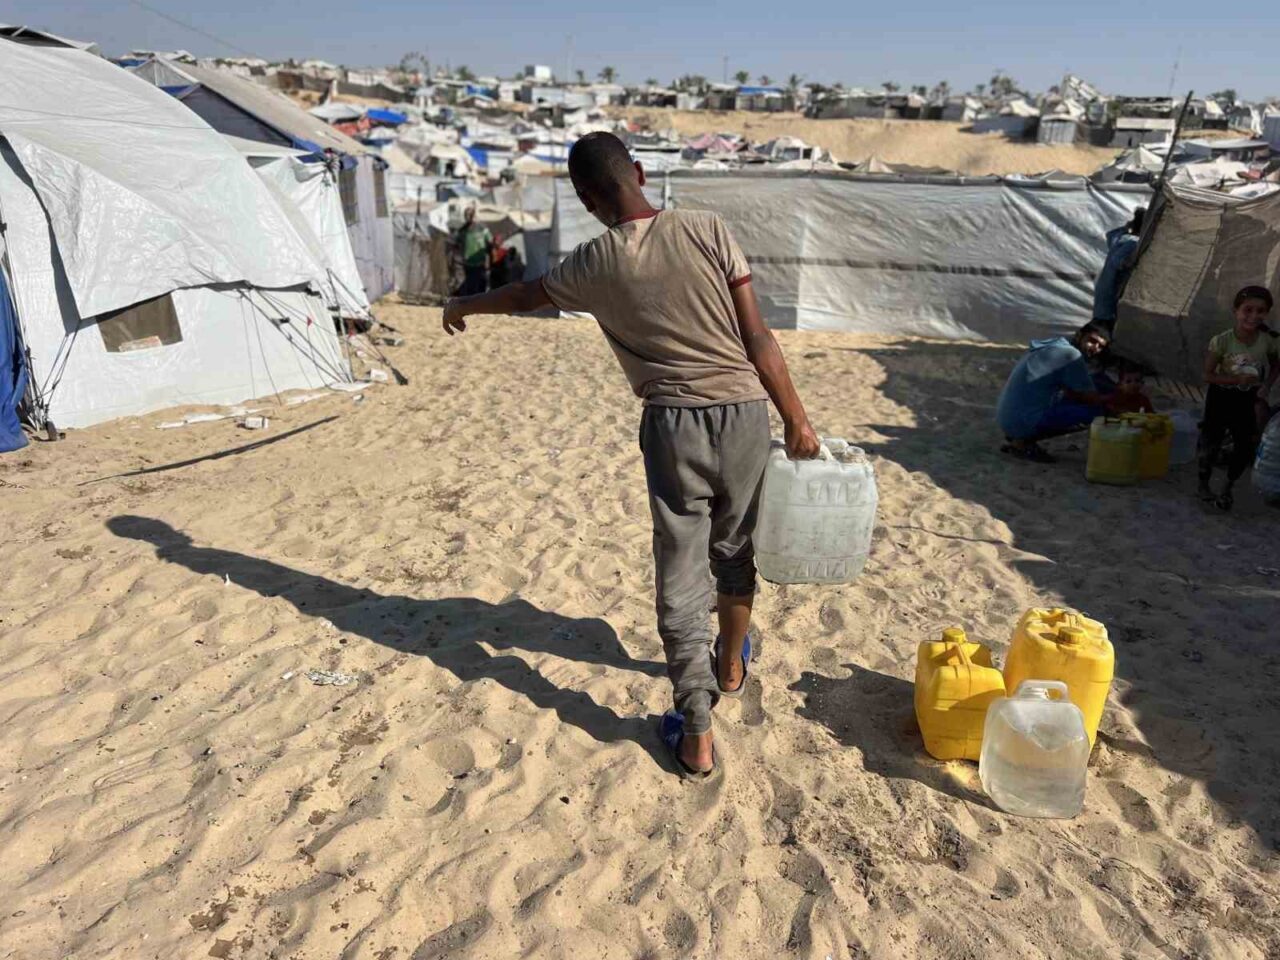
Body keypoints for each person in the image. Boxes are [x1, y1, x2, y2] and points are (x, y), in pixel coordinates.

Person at [440, 131, 820, 779]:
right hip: (746, 416)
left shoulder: (593, 262)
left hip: (674, 425)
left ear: (586, 199)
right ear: (639, 173)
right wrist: (797, 419)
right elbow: (757, 335)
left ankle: (696, 733)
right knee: (734, 552)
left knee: (680, 573)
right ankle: (732, 663)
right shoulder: (707, 228)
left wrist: (465, 303)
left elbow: (525, 295)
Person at [1197, 285, 1279, 510]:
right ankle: (1203, 484)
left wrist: (1266, 386)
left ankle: (1227, 487)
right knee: (1211, 442)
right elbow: (1207, 375)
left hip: (1247, 398)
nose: (1254, 316)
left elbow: (1276, 364)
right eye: (1248, 310)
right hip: (1220, 396)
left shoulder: (1269, 340)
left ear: (1267, 313)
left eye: (1260, 311)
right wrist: (1235, 380)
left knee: (1244, 444)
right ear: (1236, 311)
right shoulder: (1222, 341)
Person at [996, 322, 1112, 462]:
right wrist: (1118, 400)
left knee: (1093, 385)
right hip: (1021, 422)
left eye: (1100, 346)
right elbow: (1090, 398)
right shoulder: (1071, 354)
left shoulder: (1055, 344)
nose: (1095, 348)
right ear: (1079, 335)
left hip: (1007, 419)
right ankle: (1022, 442)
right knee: (1097, 413)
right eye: (1092, 341)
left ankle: (1019, 439)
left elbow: (1072, 391)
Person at [1092, 207, 1145, 325]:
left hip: (1103, 292)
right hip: (1112, 296)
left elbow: (1110, 235)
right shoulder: (1133, 243)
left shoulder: (1121, 239)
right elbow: (1117, 261)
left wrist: (1125, 228)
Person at [456, 208, 492, 296]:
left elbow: (490, 243)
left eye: (471, 215)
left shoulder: (483, 229)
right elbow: (456, 245)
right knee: (470, 287)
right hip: (468, 264)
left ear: (474, 216)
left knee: (481, 287)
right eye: (467, 215)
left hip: (481, 263)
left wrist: (488, 259)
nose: (469, 217)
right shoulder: (462, 230)